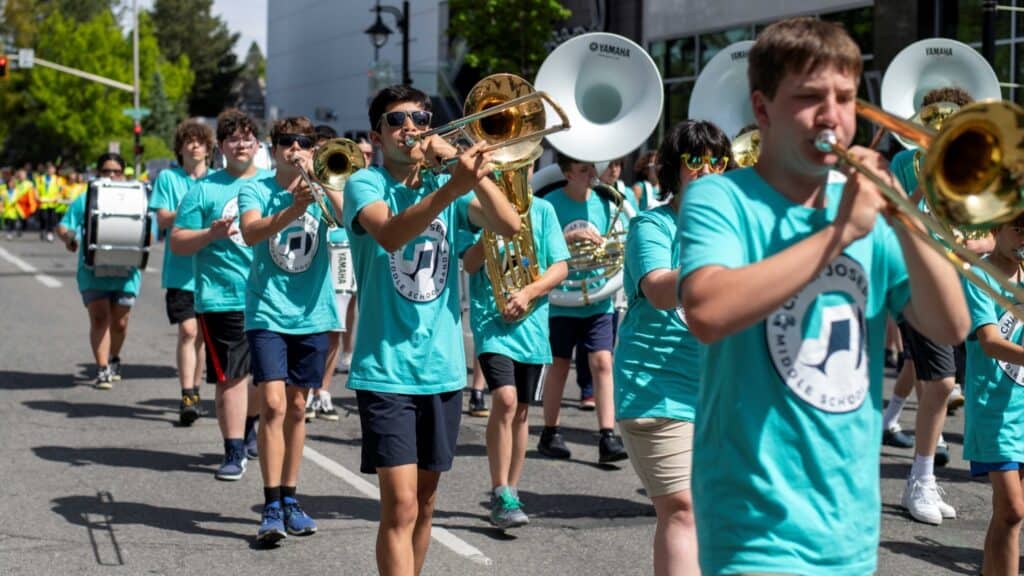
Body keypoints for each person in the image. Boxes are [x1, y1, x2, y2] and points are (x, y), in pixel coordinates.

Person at [677, 17, 969, 575]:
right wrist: (841, 233)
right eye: (809, 98)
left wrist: (902, 215)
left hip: (851, 530)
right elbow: (708, 312)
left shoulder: (866, 209)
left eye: (845, 98)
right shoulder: (722, 199)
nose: (831, 116)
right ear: (761, 111)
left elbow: (949, 325)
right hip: (753, 531)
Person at [344, 84, 519, 575]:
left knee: (426, 503)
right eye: (395, 121)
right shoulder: (366, 184)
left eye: (419, 118)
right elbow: (391, 233)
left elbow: (508, 224)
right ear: (377, 135)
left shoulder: (448, 185)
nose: (410, 129)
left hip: (441, 369)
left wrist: (467, 164)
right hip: (385, 370)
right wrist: (450, 189)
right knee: (399, 506)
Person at [615, 119, 730, 576]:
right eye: (694, 160)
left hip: (717, 391)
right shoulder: (653, 224)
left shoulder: (736, 230)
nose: (707, 169)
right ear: (672, 169)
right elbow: (661, 289)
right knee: (682, 508)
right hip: (655, 387)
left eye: (717, 161)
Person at [239, 116, 343, 545]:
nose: (294, 149)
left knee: (298, 408)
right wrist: (292, 209)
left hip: (313, 314)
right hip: (267, 312)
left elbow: (347, 221)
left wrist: (321, 185)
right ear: (273, 146)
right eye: (287, 142)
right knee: (275, 406)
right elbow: (249, 232)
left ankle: (290, 497)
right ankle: (270, 504)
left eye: (303, 142)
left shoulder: (323, 189)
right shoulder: (257, 188)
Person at [886, 85, 982, 525]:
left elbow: (987, 234)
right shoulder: (906, 163)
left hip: (962, 287)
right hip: (915, 282)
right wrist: (924, 190)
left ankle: (923, 474)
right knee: (941, 383)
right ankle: (920, 481)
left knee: (941, 383)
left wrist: (970, 242)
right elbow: (894, 222)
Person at [462, 191, 569, 528]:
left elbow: (560, 267)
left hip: (532, 326)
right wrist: (494, 226)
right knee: (505, 400)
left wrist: (527, 294)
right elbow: (469, 263)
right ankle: (499, 489)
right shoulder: (475, 205)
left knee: (522, 411)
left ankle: (511, 490)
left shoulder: (543, 209)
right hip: (491, 322)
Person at [171, 109, 267, 480]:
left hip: (270, 297)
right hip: (222, 297)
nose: (240, 144)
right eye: (232, 139)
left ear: (256, 144)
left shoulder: (272, 184)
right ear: (221, 147)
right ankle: (232, 450)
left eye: (247, 137)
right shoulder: (205, 189)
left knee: (264, 379)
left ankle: (249, 426)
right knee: (231, 377)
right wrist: (210, 235)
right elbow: (178, 242)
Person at [538, 153, 628, 464]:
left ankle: (607, 435)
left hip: (598, 297)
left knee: (603, 361)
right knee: (560, 365)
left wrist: (603, 246)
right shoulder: (549, 203)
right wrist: (569, 237)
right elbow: (538, 245)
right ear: (566, 172)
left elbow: (622, 241)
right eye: (582, 169)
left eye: (592, 167)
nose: (592, 173)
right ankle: (551, 432)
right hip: (562, 299)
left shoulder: (606, 202)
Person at [960, 215, 1024, 576]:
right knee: (1011, 509)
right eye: (1018, 228)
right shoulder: (979, 275)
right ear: (996, 231)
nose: (1023, 238)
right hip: (993, 409)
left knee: (1010, 517)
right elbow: (989, 342)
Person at [55, 153, 141, 389]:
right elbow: (64, 226)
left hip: (126, 270)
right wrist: (69, 237)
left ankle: (114, 357)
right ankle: (103, 368)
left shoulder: (135, 199)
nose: (111, 176)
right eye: (106, 171)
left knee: (120, 323)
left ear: (124, 175)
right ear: (98, 174)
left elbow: (149, 230)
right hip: (93, 268)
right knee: (100, 317)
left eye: (116, 171)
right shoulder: (87, 199)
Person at [151, 119, 214, 426]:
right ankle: (187, 392)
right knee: (188, 331)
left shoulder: (219, 179)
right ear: (180, 148)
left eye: (200, 141)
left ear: (208, 148)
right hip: (180, 270)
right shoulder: (168, 178)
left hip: (213, 270)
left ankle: (196, 390)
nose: (194, 145)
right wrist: (191, 208)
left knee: (201, 336)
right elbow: (163, 219)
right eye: (188, 140)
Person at [307, 123, 346, 423]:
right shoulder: (300, 178)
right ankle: (307, 388)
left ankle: (323, 390)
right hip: (311, 254)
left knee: (337, 326)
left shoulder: (343, 176)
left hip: (342, 251)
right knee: (313, 325)